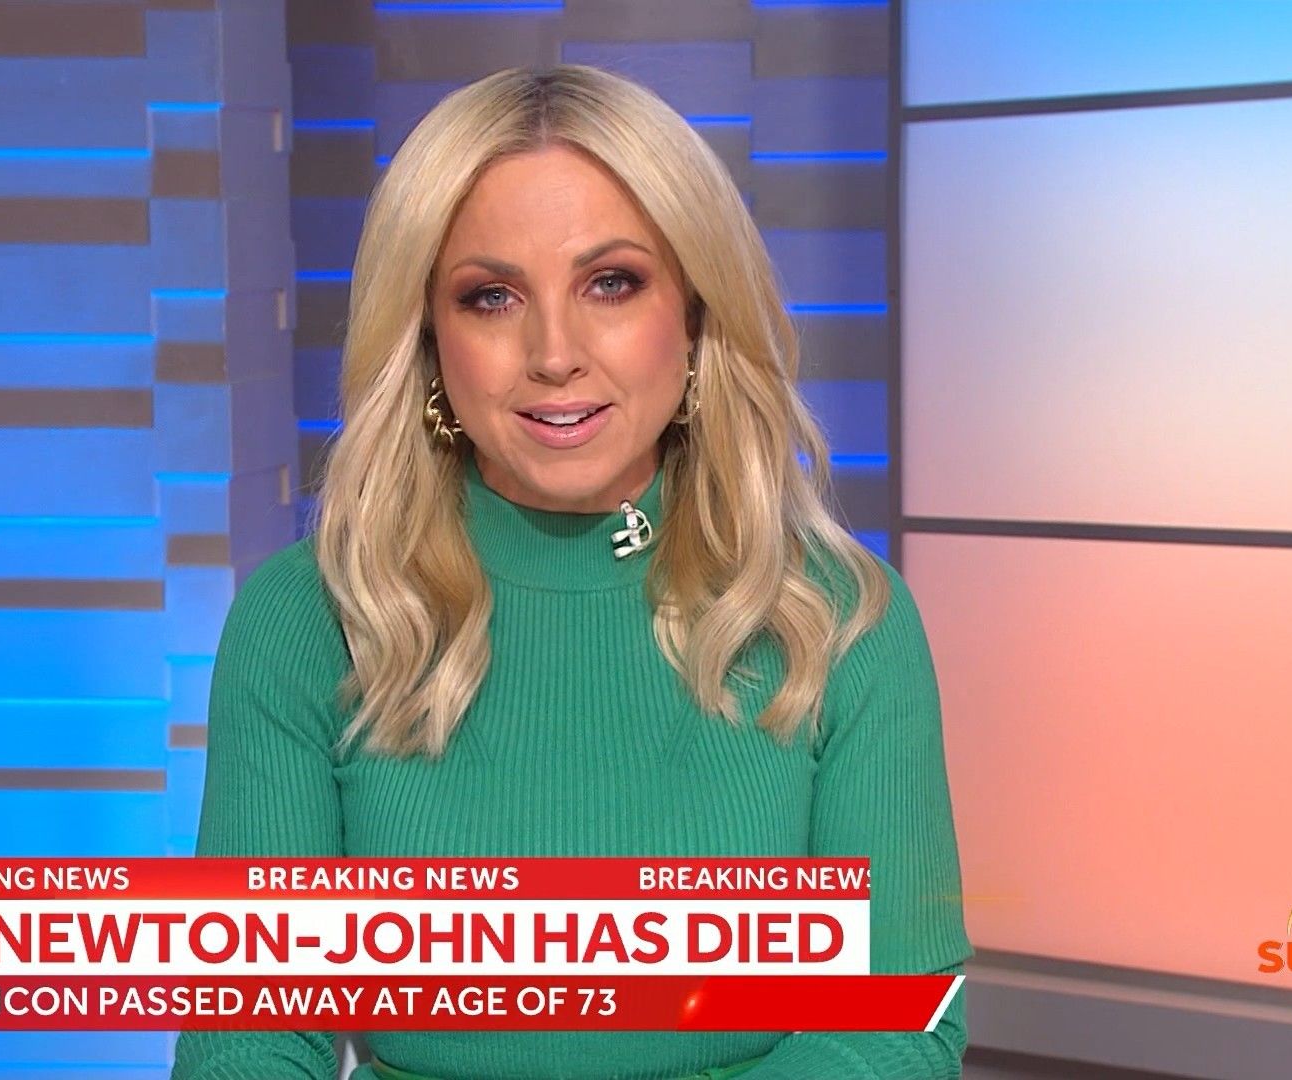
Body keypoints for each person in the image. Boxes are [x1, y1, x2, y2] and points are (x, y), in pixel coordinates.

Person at [171, 64, 971, 1080]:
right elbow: (247, 1039)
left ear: (694, 312)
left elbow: (899, 1025)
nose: (554, 353)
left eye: (611, 283)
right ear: (429, 339)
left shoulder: (840, 619)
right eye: (492, 296)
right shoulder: (308, 618)